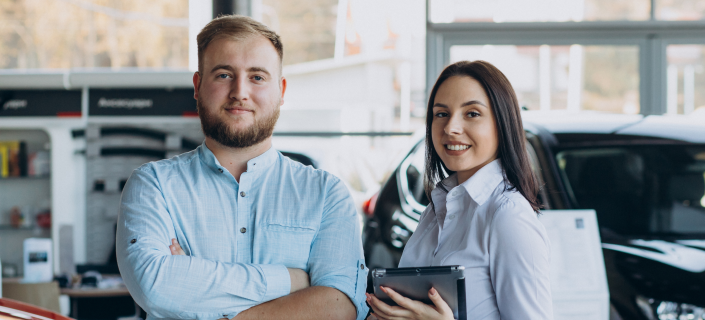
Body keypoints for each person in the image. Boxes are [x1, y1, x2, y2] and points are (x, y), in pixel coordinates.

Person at [115, 15, 368, 320]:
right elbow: (155, 284)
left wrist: (196, 289)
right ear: (197, 86)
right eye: (223, 75)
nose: (239, 92)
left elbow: (340, 306)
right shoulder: (153, 185)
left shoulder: (327, 194)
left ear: (281, 90)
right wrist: (295, 281)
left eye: (257, 77)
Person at [365, 61, 552, 320]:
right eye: (441, 114)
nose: (451, 128)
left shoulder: (508, 217)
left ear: (502, 123)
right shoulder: (434, 210)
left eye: (472, 113)